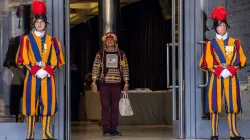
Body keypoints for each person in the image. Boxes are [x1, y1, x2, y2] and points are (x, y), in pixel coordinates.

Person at [15, 0, 65, 139]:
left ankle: (46, 133)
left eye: (42, 22)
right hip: (32, 76)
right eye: (37, 22)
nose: (39, 24)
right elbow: (22, 59)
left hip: (48, 77)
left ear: (45, 24)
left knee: (48, 105)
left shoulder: (53, 40)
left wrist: (47, 70)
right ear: (34, 23)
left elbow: (58, 59)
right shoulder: (26, 40)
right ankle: (30, 134)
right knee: (31, 106)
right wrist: (35, 69)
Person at [200, 6, 246, 140]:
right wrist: (220, 71)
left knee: (233, 105)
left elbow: (241, 60)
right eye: (220, 25)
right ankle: (214, 133)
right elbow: (206, 63)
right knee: (214, 106)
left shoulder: (235, 43)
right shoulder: (210, 44)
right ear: (215, 27)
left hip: (231, 77)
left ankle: (233, 133)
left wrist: (230, 70)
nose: (222, 27)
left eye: (224, 25)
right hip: (216, 77)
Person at [91, 32, 129, 136]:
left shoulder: (121, 54)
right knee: (105, 107)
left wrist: (126, 83)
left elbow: (125, 68)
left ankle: (113, 128)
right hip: (104, 84)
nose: (109, 41)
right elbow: (96, 68)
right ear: (105, 42)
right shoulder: (100, 54)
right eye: (107, 40)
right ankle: (106, 129)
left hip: (117, 84)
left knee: (115, 107)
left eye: (111, 40)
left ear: (114, 41)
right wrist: (94, 82)